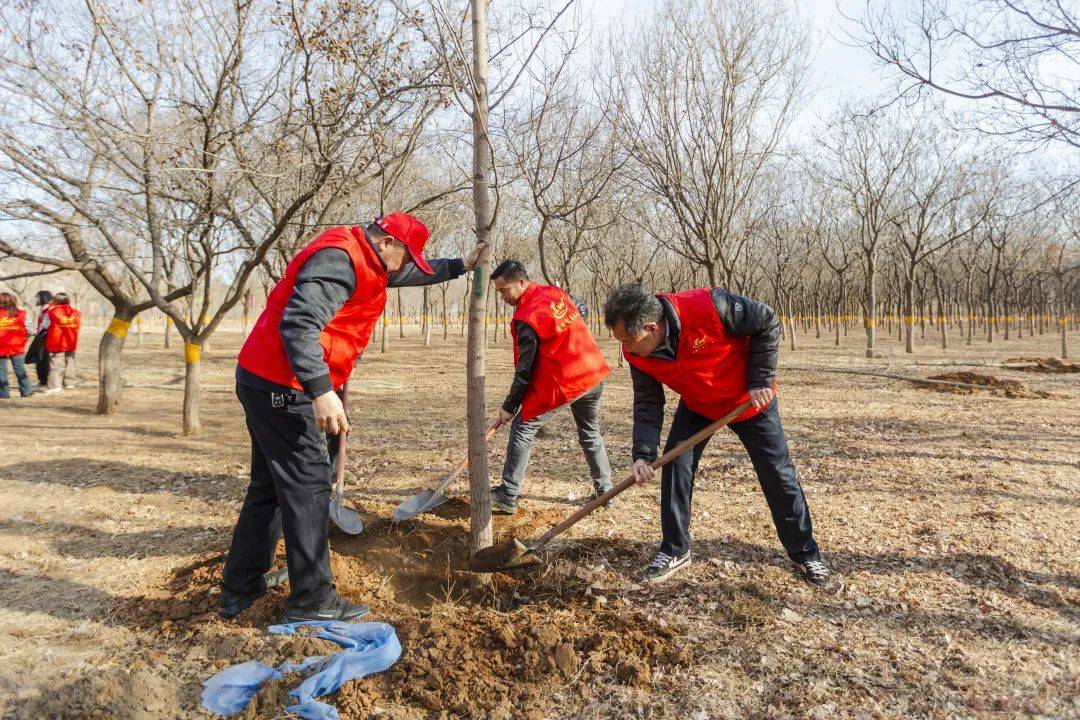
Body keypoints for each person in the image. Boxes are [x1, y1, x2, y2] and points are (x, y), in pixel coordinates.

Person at [220, 213, 485, 623]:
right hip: (284, 386)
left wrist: (459, 267)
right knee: (309, 487)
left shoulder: (367, 257)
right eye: (406, 255)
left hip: (263, 379)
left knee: (270, 488)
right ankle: (311, 601)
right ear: (386, 243)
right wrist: (321, 391)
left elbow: (412, 274)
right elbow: (300, 324)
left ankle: (241, 588)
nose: (407, 265)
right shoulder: (339, 261)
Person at [603, 284, 838, 590]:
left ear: (651, 327)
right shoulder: (635, 352)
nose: (626, 350)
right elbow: (648, 401)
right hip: (699, 403)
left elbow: (767, 320)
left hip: (749, 402)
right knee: (676, 465)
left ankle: (806, 554)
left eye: (629, 340)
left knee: (778, 474)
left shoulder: (710, 307)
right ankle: (675, 548)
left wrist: (759, 380)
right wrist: (643, 453)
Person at [487, 261, 613, 515]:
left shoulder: (527, 316)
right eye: (499, 291)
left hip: (568, 381)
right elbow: (582, 310)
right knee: (590, 434)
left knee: (523, 427)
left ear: (521, 282)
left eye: (504, 290)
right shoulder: (555, 293)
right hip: (593, 372)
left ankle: (508, 494)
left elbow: (525, 370)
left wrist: (509, 406)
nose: (502, 297)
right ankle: (606, 492)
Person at [43, 292, 80, 392]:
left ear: (56, 300)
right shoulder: (76, 312)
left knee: (56, 363)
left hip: (56, 341)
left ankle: (55, 385)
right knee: (70, 362)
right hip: (71, 340)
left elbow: (45, 325)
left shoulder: (51, 312)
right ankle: (70, 383)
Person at [0, 292, 33, 399]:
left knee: (1, 371)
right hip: (17, 346)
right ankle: (27, 391)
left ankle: (4, 395)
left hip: (1, 347)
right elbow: (30, 329)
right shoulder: (21, 313)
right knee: (20, 369)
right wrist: (24, 338)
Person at [33, 290, 53, 387]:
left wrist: (38, 332)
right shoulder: (43, 308)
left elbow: (46, 324)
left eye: (38, 297)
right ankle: (42, 380)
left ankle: (45, 381)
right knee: (40, 359)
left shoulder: (49, 308)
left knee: (44, 359)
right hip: (42, 336)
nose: (37, 299)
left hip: (46, 337)